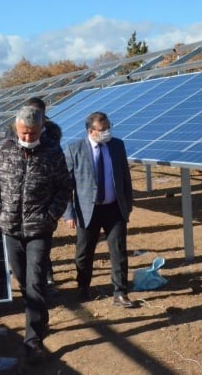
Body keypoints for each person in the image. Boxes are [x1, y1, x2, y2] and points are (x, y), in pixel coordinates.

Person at [0, 106, 72, 364]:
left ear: (41, 129)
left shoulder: (52, 153)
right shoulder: (3, 149)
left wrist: (51, 215)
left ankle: (32, 341)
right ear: (16, 127)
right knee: (22, 278)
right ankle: (40, 316)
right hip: (10, 227)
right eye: (23, 132)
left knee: (35, 281)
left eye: (33, 133)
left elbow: (64, 187)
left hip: (39, 229)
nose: (28, 137)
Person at [63, 111, 135, 308]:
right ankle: (83, 287)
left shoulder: (117, 146)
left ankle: (120, 292)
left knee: (119, 250)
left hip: (114, 208)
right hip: (88, 210)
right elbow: (65, 186)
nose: (107, 132)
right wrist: (69, 213)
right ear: (90, 131)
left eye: (109, 128)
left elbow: (125, 177)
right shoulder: (74, 149)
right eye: (103, 130)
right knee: (84, 252)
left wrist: (127, 205)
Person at [23, 96, 62, 293]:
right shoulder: (14, 130)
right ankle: (29, 284)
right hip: (21, 200)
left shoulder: (52, 135)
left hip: (44, 200)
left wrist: (54, 209)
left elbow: (60, 174)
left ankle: (47, 278)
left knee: (42, 244)